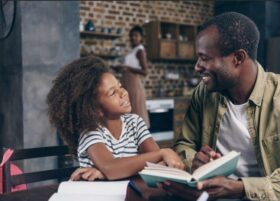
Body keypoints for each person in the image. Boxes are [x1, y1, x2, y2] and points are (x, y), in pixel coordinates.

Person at [159, 12, 280, 200]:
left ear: (238, 58)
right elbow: (185, 143)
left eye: (205, 58)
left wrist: (239, 188)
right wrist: (195, 161)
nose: (197, 66)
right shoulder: (203, 93)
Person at [46, 55, 184, 181]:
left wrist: (103, 173)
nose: (123, 92)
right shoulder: (91, 132)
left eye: (120, 86)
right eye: (113, 93)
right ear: (95, 108)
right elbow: (112, 168)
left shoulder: (135, 122)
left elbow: (160, 165)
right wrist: (163, 152)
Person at [112, 25, 150, 127]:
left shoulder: (140, 50)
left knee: (134, 116)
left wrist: (127, 68)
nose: (133, 37)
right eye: (132, 35)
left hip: (133, 85)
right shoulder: (133, 50)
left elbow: (145, 71)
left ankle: (138, 141)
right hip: (127, 84)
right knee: (128, 116)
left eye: (136, 35)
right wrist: (120, 68)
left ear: (141, 37)